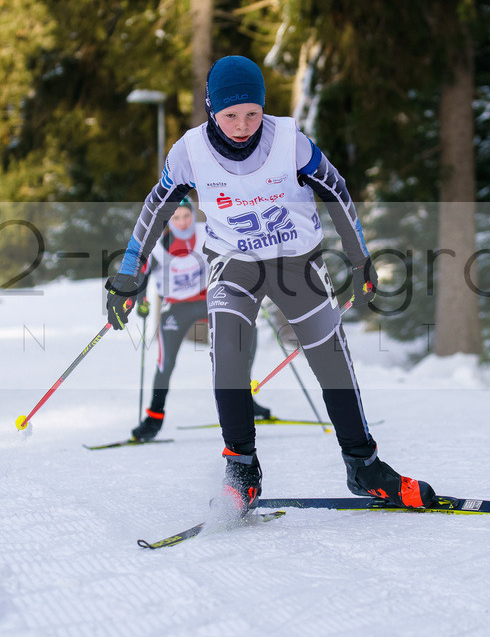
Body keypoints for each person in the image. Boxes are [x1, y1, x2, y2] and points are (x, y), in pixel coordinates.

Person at [105, 55, 438, 511]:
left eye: (252, 114)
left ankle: (364, 465)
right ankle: (241, 469)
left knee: (331, 359)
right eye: (230, 115)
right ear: (210, 109)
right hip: (233, 262)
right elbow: (156, 207)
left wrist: (360, 260)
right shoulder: (189, 152)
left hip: (295, 259)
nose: (242, 125)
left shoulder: (289, 141)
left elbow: (336, 189)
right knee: (229, 353)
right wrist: (129, 275)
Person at [130, 196, 272, 442]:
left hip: (210, 299)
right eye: (176, 218)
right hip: (176, 306)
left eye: (186, 216)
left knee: (248, 332)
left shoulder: (205, 232)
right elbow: (141, 273)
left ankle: (245, 399)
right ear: (169, 220)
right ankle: (154, 418)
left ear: (193, 215)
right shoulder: (159, 245)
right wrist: (141, 300)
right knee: (165, 362)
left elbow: (234, 250)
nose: (183, 222)